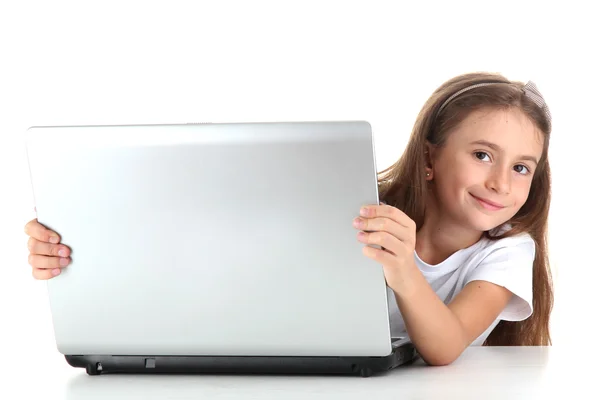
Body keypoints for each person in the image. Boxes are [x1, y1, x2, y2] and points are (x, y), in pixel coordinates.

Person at [23, 71, 554, 366]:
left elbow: (444, 347)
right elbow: (223, 251)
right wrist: (76, 250)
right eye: (482, 155)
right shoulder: (361, 208)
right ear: (431, 159)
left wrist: (404, 273)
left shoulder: (507, 250)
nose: (500, 183)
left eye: (522, 167)